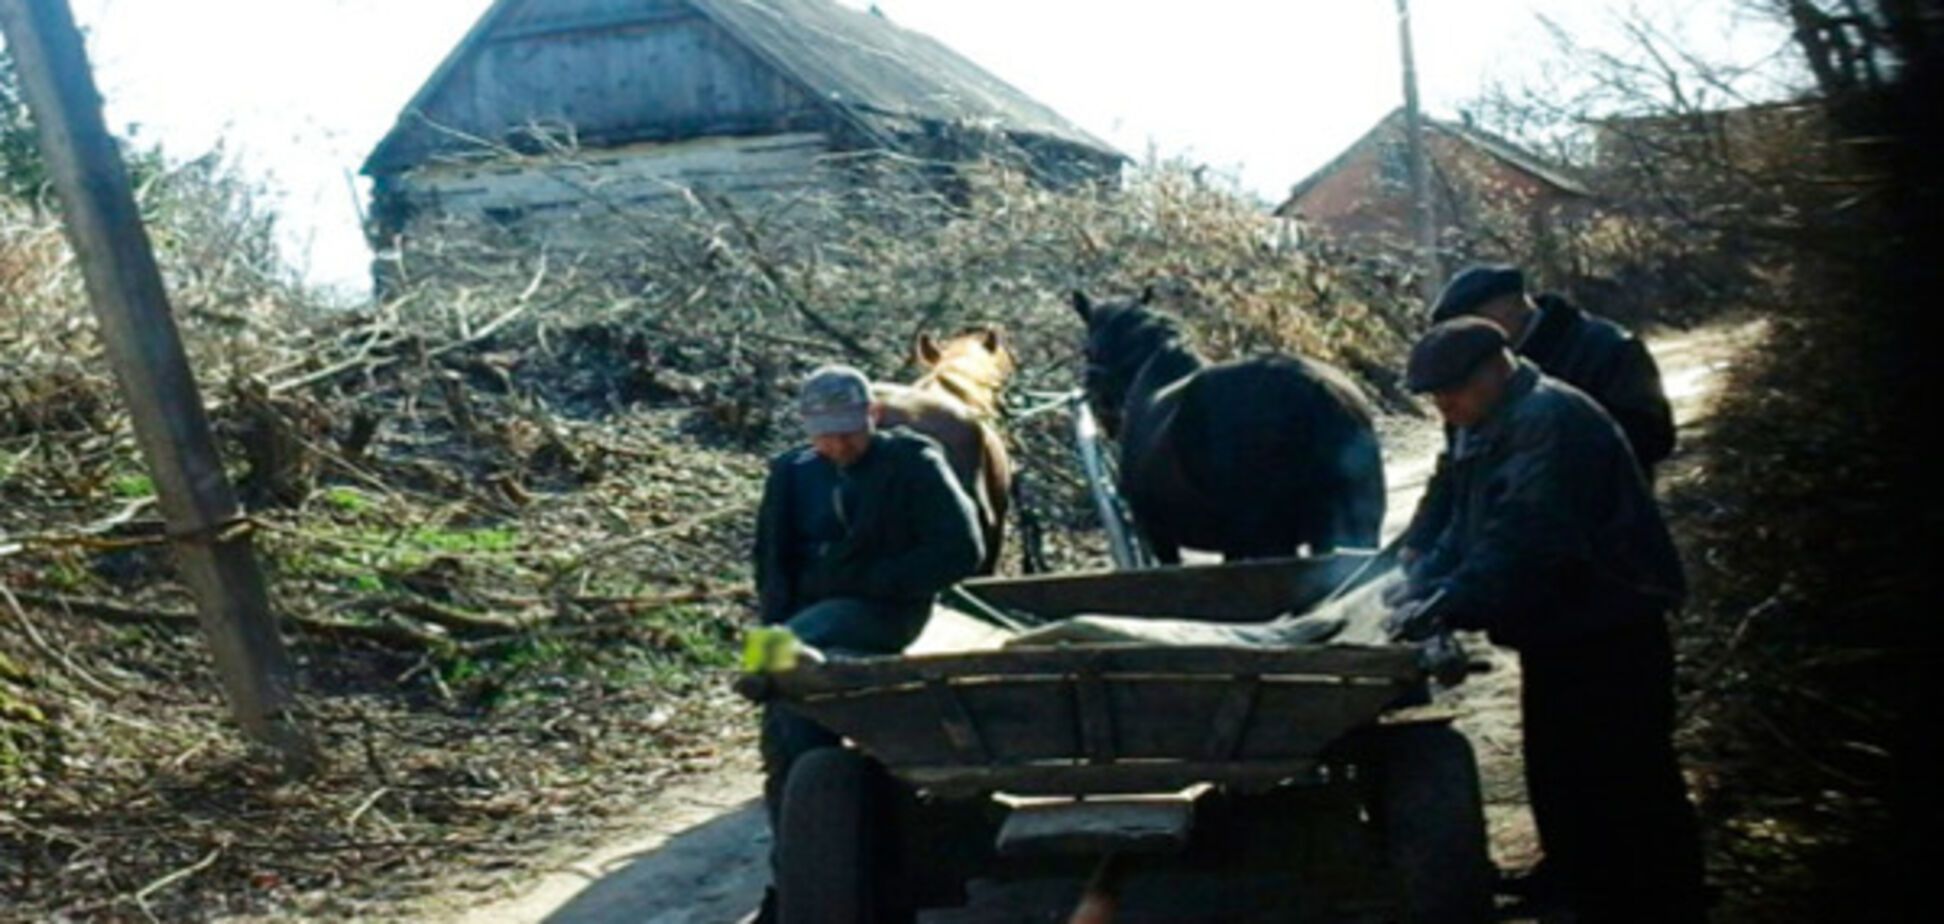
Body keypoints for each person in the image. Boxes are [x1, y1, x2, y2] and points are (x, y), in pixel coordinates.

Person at [1387, 319, 1707, 923]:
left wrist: (1448, 603)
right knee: (1565, 780)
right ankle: (1586, 892)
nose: (1442, 406)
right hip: (1559, 630)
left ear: (1492, 371)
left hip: (1611, 624)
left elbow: (1527, 538)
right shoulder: (1485, 422)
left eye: (1449, 392)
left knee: (1629, 782)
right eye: (1433, 397)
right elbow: (1466, 522)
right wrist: (1424, 580)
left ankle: (1664, 904)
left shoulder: (1546, 421)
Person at [747, 364, 983, 923]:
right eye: (824, 433)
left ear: (873, 416)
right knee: (789, 740)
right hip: (804, 617)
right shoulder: (791, 472)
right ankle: (806, 859)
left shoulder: (913, 462)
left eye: (849, 431)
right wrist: (775, 613)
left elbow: (961, 550)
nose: (837, 444)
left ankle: (769, 675)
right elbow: (770, 564)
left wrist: (869, 580)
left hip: (885, 612)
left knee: (793, 643)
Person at [1400, 265, 1675, 569]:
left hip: (1606, 541)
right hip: (1519, 542)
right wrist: (1420, 539)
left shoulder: (1607, 348)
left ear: (1509, 306)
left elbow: (1654, 436)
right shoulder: (1470, 375)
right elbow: (1457, 465)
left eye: (1472, 321)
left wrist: (1558, 455)